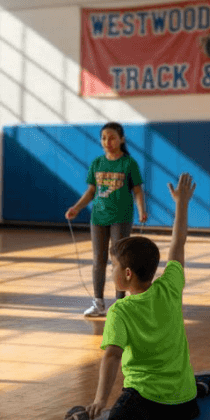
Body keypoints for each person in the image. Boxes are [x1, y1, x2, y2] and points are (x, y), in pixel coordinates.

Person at [64, 173, 210, 420]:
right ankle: (202, 385)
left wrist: (100, 399)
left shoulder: (120, 312)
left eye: (113, 267)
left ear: (127, 275)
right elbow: (179, 243)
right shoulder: (170, 287)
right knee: (189, 390)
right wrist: (182, 205)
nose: (111, 271)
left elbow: (111, 357)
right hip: (184, 407)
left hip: (146, 402)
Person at [66, 122, 148, 317]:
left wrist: (142, 210)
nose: (107, 142)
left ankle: (120, 303)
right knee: (98, 260)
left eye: (112, 137)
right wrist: (76, 208)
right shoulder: (97, 163)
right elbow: (91, 191)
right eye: (104, 138)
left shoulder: (129, 163)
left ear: (121, 139)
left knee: (119, 261)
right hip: (98, 218)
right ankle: (98, 302)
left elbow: (137, 190)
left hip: (121, 217)